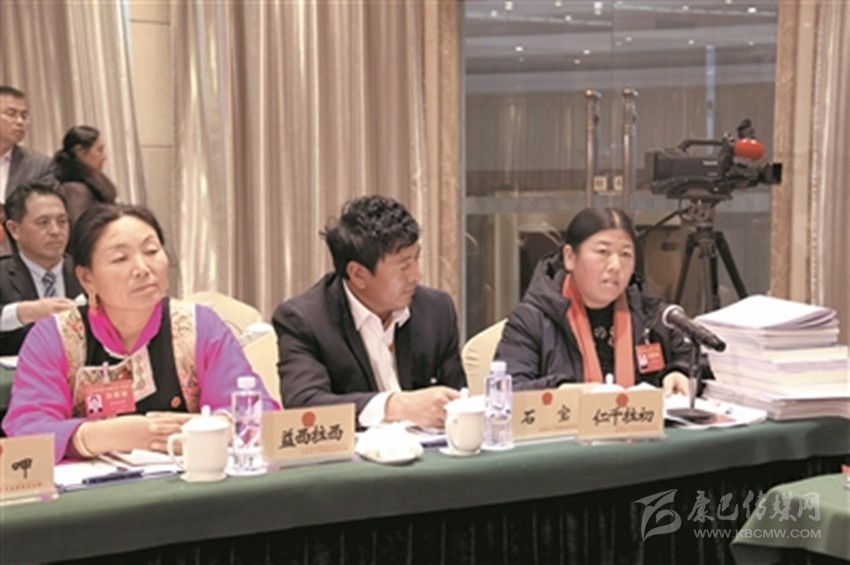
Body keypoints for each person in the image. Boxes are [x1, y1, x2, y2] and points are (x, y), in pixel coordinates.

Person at [3, 203, 279, 462]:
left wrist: (211, 428)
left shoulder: (199, 326)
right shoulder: (55, 336)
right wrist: (107, 435)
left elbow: (258, 412)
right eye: (120, 258)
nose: (143, 269)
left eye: (151, 251)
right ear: (87, 278)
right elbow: (26, 431)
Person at [273, 195, 466, 429]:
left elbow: (457, 399)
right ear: (358, 274)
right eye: (404, 265)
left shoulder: (436, 310)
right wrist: (394, 406)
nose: (417, 275)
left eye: (416, 258)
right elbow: (305, 407)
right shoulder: (304, 320)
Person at [494, 207, 692, 393]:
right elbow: (506, 389)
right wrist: (563, 390)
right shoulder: (532, 319)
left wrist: (679, 373)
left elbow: (693, 360)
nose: (615, 265)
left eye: (625, 254)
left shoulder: (651, 313)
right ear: (570, 257)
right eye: (603, 252)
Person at [0, 182, 81, 355]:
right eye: (43, 222)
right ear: (14, 229)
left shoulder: (87, 272)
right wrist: (23, 313)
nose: (56, 231)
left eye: (62, 221)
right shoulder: (3, 275)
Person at [0, 86, 55, 255]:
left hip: (17, 258)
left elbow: (42, 215)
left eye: (24, 116)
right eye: (11, 114)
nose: (19, 121)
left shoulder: (40, 166)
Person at [54, 125, 118, 229]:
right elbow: (81, 229)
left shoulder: (87, 185)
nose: (104, 157)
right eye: (99, 150)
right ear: (80, 152)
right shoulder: (73, 190)